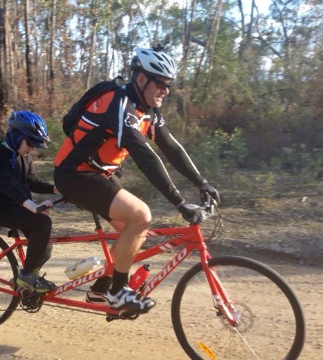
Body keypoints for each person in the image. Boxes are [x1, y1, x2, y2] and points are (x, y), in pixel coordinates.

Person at [53, 45, 220, 314]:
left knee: (133, 233)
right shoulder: (120, 105)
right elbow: (145, 157)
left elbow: (171, 148)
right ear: (141, 79)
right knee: (141, 216)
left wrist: (202, 182)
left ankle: (101, 290)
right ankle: (119, 293)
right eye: (161, 84)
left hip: (96, 174)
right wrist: (179, 202)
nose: (166, 90)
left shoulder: (149, 110)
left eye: (169, 85)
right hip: (73, 174)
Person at [0, 110, 59, 293]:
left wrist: (57, 189)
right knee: (43, 222)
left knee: (45, 245)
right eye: (31, 143)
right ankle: (26, 276)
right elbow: (8, 187)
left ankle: (28, 278)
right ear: (17, 137)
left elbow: (32, 182)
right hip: (4, 210)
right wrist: (33, 207)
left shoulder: (24, 156)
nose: (32, 149)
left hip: (21, 207)